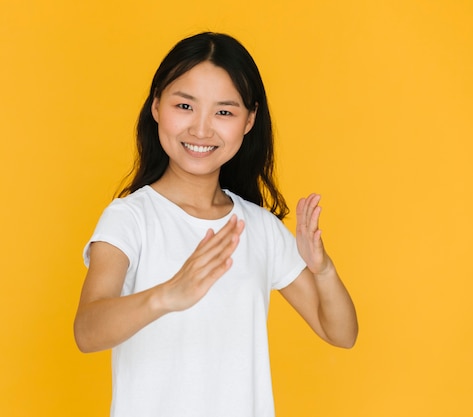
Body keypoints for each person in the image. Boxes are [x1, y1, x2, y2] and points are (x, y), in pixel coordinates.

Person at [73, 32, 358, 417]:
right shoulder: (131, 218)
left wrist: (322, 270)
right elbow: (87, 332)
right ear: (156, 105)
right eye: (185, 105)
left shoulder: (258, 227)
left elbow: (340, 333)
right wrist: (167, 295)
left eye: (224, 111)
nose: (202, 129)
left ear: (249, 120)